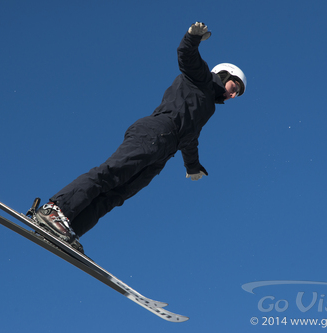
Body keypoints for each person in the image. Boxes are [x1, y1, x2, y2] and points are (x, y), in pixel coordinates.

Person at [34, 22, 247, 253]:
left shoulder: (208, 108)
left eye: (237, 93)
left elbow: (191, 137)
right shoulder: (202, 78)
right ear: (224, 74)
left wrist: (192, 166)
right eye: (234, 86)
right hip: (155, 131)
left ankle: (68, 228)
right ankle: (55, 211)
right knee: (111, 173)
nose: (233, 95)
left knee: (116, 195)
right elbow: (186, 56)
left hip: (164, 151)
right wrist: (192, 38)